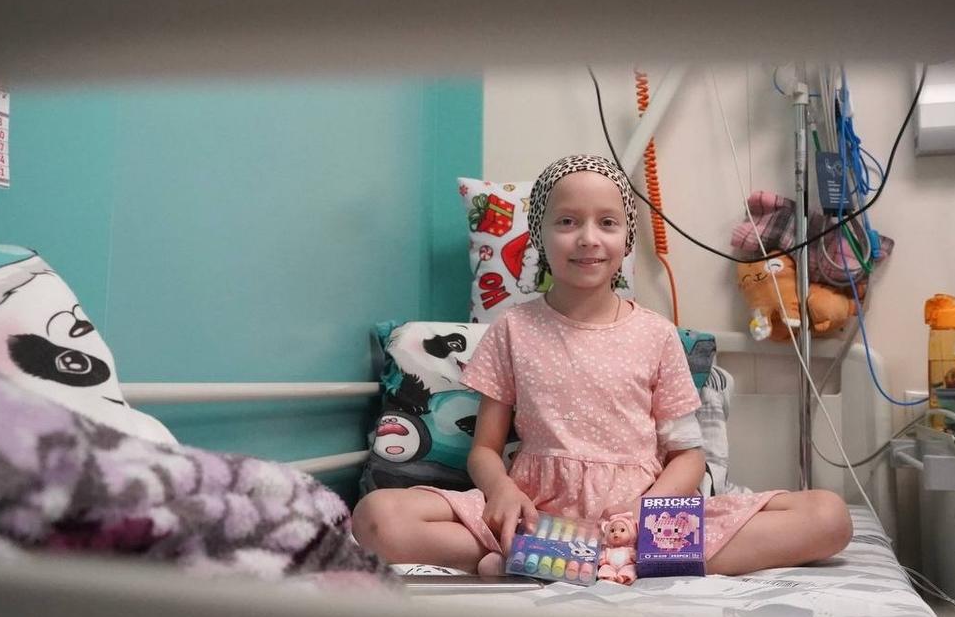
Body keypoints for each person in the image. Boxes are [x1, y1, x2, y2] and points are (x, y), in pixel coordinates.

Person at [352, 154, 852, 576]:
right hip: (537, 516)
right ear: (539, 235)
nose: (588, 238)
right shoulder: (512, 330)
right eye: (567, 222)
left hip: (642, 521)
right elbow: (484, 449)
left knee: (828, 516)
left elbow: (687, 457)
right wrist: (500, 491)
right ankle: (553, 557)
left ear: (626, 239)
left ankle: (587, 559)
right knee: (377, 516)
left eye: (607, 223)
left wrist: (644, 512)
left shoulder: (657, 335)